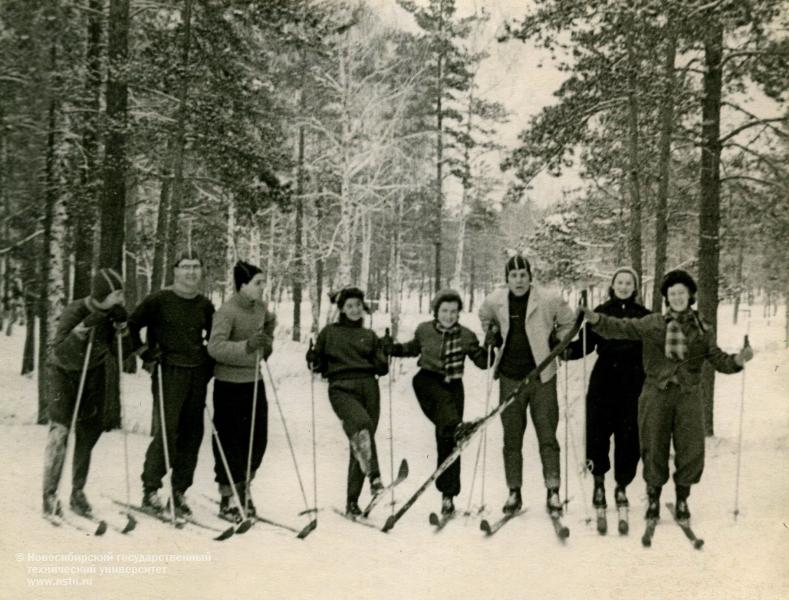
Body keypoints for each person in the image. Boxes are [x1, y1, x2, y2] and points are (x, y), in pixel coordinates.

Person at [582, 269, 754, 522]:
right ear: (666, 298)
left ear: (690, 295)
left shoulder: (702, 328)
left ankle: (682, 499)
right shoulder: (653, 324)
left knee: (691, 449)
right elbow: (621, 327)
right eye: (672, 294)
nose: (677, 297)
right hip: (656, 394)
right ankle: (653, 498)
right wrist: (596, 319)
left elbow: (717, 359)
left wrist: (738, 360)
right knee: (653, 446)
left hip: (688, 395)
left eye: (681, 293)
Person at [478, 255, 576, 517]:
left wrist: (559, 339)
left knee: (547, 434)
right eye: (514, 276)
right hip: (510, 377)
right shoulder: (496, 300)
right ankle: (514, 491)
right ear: (507, 278)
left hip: (542, 376)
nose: (519, 280)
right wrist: (491, 331)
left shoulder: (548, 298)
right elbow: (484, 314)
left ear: (530, 276)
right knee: (512, 437)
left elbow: (569, 321)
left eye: (523, 275)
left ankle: (553, 489)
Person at [381, 289, 489, 516]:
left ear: (459, 313)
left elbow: (483, 363)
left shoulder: (467, 336)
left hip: (454, 388)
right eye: (444, 311)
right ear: (436, 312)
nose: (449, 315)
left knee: (448, 439)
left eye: (453, 311)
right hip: (428, 382)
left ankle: (448, 497)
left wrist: (489, 345)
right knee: (450, 423)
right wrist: (392, 348)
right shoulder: (424, 330)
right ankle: (457, 426)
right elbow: (410, 349)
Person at [128, 251, 215, 518]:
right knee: (168, 431)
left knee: (193, 433)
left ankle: (179, 491)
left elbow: (214, 339)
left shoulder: (205, 305)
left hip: (196, 373)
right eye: (185, 267)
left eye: (195, 267)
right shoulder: (159, 300)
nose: (190, 272)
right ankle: (151, 489)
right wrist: (144, 352)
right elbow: (132, 325)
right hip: (168, 371)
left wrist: (207, 366)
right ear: (175, 272)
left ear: (201, 272)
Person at [42, 268, 132, 518]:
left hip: (92, 374)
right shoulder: (75, 310)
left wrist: (123, 328)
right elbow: (59, 351)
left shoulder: (112, 313)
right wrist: (82, 328)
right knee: (59, 432)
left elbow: (123, 351)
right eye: (117, 294)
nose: (122, 299)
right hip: (63, 375)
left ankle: (77, 492)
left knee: (88, 432)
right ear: (103, 294)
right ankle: (49, 495)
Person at [563, 267, 650, 514]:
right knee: (598, 433)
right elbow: (586, 345)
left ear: (635, 287)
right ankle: (599, 483)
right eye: (619, 282)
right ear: (613, 285)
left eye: (628, 283)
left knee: (629, 436)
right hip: (605, 379)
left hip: (634, 381)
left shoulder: (644, 315)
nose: (623, 286)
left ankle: (622, 486)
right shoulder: (600, 313)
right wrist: (565, 351)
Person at [306, 287, 389, 516]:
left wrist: (385, 351)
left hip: (369, 387)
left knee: (361, 441)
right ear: (341, 308)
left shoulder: (370, 335)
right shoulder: (329, 333)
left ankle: (352, 502)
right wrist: (312, 356)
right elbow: (318, 365)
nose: (355, 310)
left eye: (358, 306)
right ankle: (375, 477)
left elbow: (381, 369)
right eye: (350, 306)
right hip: (341, 388)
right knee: (362, 427)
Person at [207, 261, 275, 522]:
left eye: (263, 281)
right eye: (257, 282)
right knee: (230, 442)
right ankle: (227, 497)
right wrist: (247, 346)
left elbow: (268, 326)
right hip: (229, 385)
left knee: (258, 440)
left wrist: (266, 345)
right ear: (243, 285)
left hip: (254, 382)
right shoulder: (227, 311)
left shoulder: (260, 308)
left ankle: (243, 487)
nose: (262, 287)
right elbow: (215, 348)